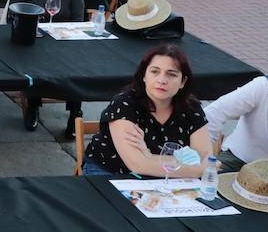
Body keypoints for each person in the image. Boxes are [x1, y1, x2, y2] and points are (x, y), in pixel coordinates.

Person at [82, 44, 212, 176]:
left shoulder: (191, 108)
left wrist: (148, 156)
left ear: (183, 82)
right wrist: (198, 169)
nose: (162, 80)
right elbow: (138, 165)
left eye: (171, 74)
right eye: (154, 72)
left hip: (167, 178)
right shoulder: (124, 104)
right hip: (111, 172)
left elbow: (205, 157)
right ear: (144, 75)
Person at [9, 0, 87, 133]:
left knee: (75, 66)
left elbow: (78, 18)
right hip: (35, 39)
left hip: (64, 40)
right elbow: (13, 13)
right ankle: (34, 106)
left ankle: (75, 112)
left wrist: (62, 34)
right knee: (33, 58)